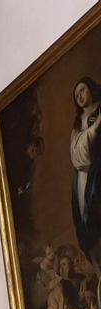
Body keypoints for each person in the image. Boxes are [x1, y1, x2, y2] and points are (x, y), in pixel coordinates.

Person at [71, 77, 101, 267]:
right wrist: (95, 128)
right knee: (88, 220)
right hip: (85, 178)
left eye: (82, 90)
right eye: (76, 95)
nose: (79, 96)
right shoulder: (78, 123)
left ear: (90, 89)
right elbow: (77, 157)